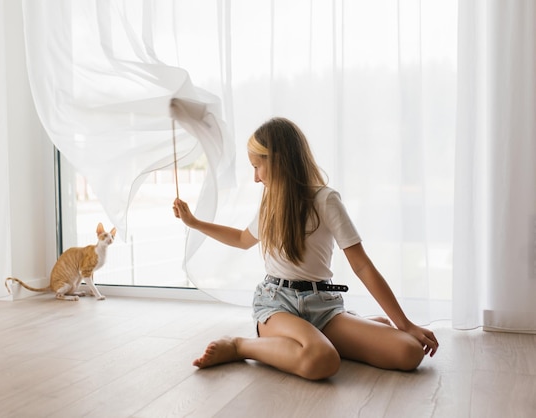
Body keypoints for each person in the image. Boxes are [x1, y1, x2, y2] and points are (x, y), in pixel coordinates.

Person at [172, 117, 439, 381]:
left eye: (257, 167)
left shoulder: (326, 200)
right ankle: (240, 345)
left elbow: (362, 266)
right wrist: (194, 222)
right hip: (278, 304)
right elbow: (243, 239)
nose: (255, 178)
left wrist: (406, 324)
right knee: (322, 359)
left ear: (278, 161)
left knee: (408, 352)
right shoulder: (270, 204)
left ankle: (329, 335)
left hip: (323, 306)